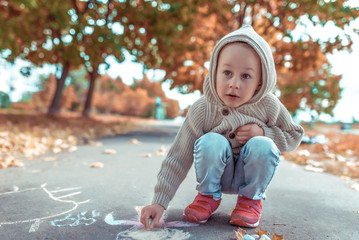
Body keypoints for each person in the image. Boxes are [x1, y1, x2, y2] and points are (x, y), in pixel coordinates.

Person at [140, 25, 304, 229]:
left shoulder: (268, 105)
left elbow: (294, 135)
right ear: (214, 72)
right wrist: (159, 201)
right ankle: (207, 196)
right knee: (211, 141)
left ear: (260, 83)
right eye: (227, 72)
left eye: (246, 76)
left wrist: (264, 132)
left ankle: (250, 201)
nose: (234, 83)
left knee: (264, 144)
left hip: (250, 174)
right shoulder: (203, 108)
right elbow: (178, 156)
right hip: (217, 175)